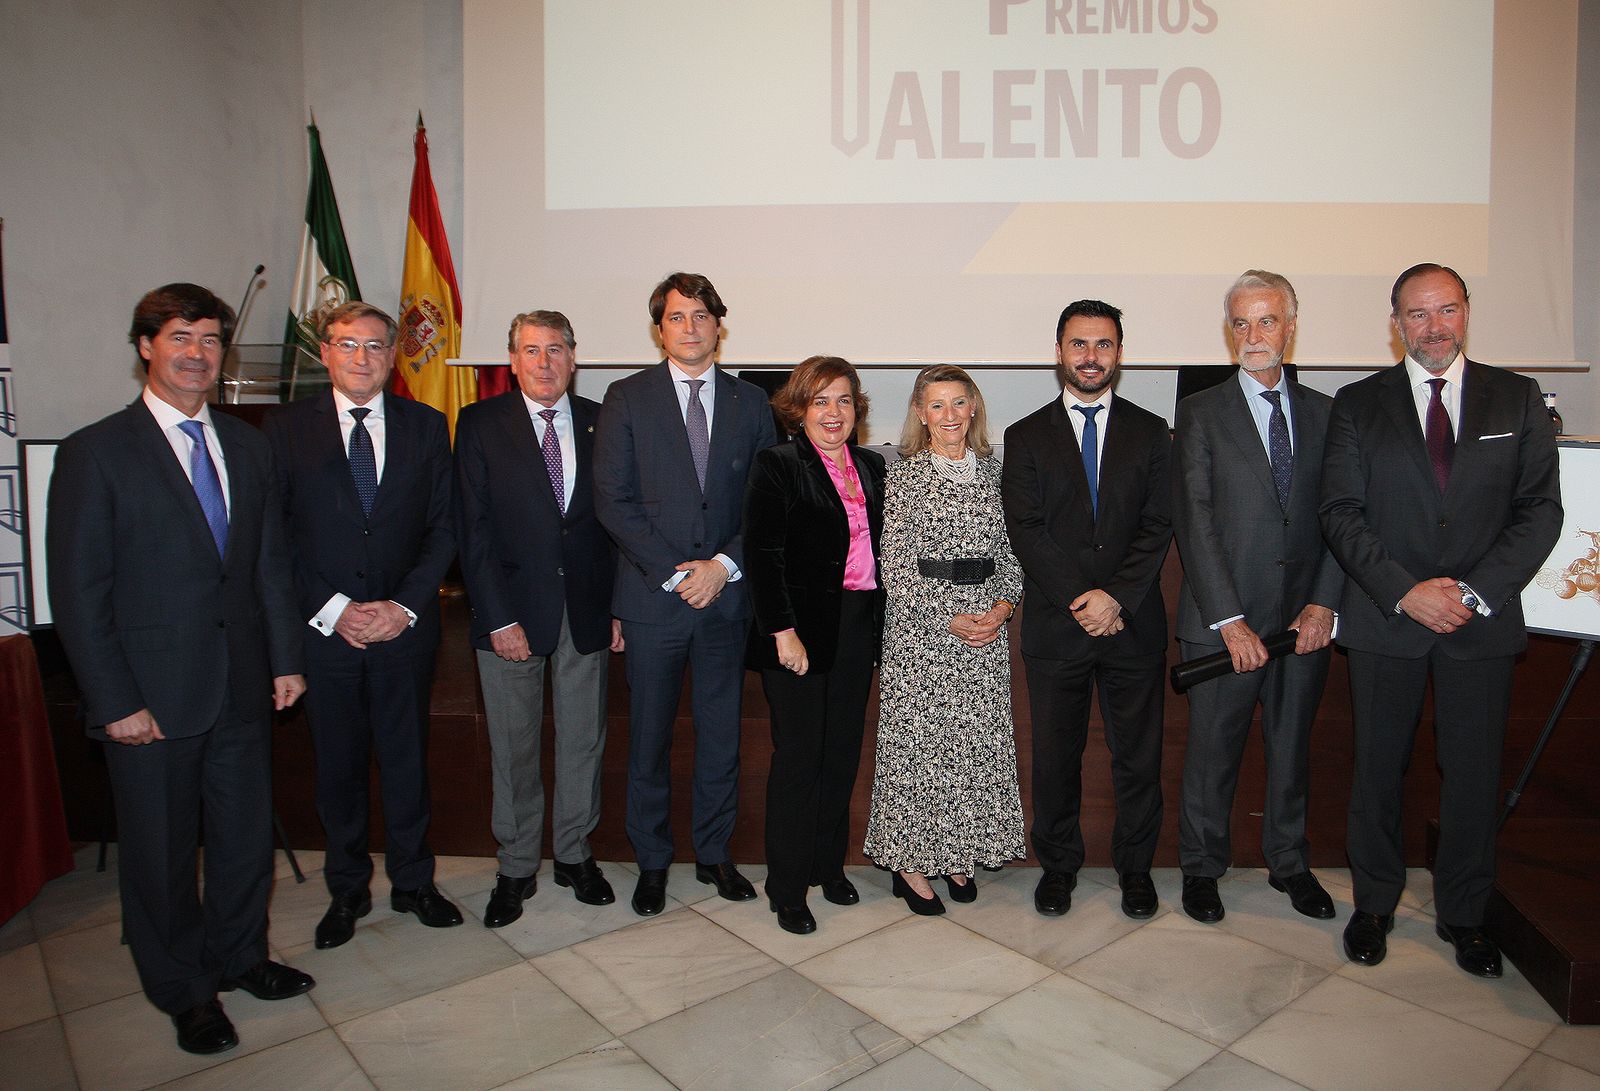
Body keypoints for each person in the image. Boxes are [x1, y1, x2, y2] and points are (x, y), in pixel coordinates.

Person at [47, 283, 312, 1056]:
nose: (197, 354)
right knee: (161, 856)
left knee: (240, 839)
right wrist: (115, 699)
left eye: (208, 340)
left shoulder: (248, 444)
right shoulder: (96, 452)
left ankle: (242, 956)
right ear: (145, 347)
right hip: (149, 700)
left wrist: (286, 659)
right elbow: (78, 592)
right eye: (180, 338)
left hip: (241, 684)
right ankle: (184, 989)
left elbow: (268, 565)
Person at [1320, 263, 1561, 976]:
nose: (1433, 326)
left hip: (1479, 624)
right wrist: (1405, 590)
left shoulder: (1516, 398)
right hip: (1387, 619)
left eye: (1446, 310)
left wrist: (1476, 592)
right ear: (1395, 323)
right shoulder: (1357, 403)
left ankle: (1465, 915)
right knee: (1377, 770)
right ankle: (1374, 905)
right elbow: (1340, 511)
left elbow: (1540, 509)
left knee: (1473, 773)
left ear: (1465, 312)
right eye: (1417, 314)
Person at [263, 301, 462, 949]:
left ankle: (413, 881)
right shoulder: (284, 429)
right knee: (339, 766)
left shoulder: (427, 426)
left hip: (405, 628)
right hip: (327, 635)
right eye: (348, 345)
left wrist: (403, 605)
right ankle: (346, 888)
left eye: (376, 347)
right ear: (325, 352)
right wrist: (335, 610)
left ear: (393, 355)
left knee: (407, 760)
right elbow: (276, 538)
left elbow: (443, 528)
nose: (362, 358)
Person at [594, 272, 777, 915]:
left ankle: (714, 853)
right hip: (653, 600)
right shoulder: (625, 397)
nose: (691, 327)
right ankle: (651, 861)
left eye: (702, 315)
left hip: (725, 600)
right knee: (648, 736)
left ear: (718, 327)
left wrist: (723, 564)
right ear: (659, 328)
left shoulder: (753, 403)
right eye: (677, 317)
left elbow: (764, 501)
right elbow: (611, 501)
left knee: (721, 735)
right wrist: (678, 571)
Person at [1172, 271, 1342, 924]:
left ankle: (1290, 863)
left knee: (1291, 747)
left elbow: (1341, 515)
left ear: (1291, 326)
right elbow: (1196, 516)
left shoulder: (1330, 414)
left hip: (1304, 625)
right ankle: (1201, 868)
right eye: (1240, 323)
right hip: (1222, 624)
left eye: (1266, 320)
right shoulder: (1200, 412)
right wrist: (1231, 619)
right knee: (1212, 753)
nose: (1253, 335)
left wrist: (1323, 601)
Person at [1001, 300, 1173, 920]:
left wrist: (1115, 597)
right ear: (1059, 352)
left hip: (1133, 626)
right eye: (1079, 344)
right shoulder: (1023, 436)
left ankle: (1135, 869)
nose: (1090, 356)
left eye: (1103, 345)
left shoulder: (1154, 433)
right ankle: (1058, 866)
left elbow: (1157, 525)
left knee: (1138, 758)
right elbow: (1027, 529)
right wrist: (1083, 599)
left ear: (1120, 353)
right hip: (1057, 626)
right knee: (1055, 758)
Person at [455, 310, 622, 926]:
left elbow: (611, 526)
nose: (544, 363)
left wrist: (615, 608)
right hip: (510, 619)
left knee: (583, 742)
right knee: (514, 745)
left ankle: (575, 855)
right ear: (513, 359)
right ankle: (517, 864)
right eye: (531, 350)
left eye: (555, 350)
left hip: (586, 614)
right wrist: (496, 617)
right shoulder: (479, 425)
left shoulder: (601, 420)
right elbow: (470, 531)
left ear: (573, 358)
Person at [864, 365, 1025, 915]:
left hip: (985, 634)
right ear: (919, 413)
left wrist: (1004, 606)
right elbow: (895, 566)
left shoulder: (995, 473)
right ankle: (909, 861)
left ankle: (957, 851)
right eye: (937, 405)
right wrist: (948, 615)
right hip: (922, 634)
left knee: (970, 752)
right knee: (919, 752)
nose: (949, 414)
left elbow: (1010, 554)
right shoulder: (903, 475)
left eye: (959, 402)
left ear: (974, 407)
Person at [743, 356, 886, 935]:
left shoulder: (874, 466)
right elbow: (763, 555)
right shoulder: (777, 465)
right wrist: (783, 632)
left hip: (858, 629)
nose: (834, 412)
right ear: (798, 409)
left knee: (840, 755)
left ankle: (829, 867)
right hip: (798, 633)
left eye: (844, 400)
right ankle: (787, 886)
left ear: (858, 410)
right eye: (821, 400)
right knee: (799, 761)